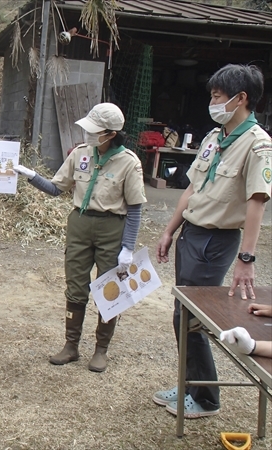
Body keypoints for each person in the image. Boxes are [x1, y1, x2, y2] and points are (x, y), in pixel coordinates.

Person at [153, 64, 272, 419]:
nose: (213, 102)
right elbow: (191, 188)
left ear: (241, 98)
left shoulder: (258, 145)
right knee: (181, 314)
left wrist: (246, 258)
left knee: (192, 318)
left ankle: (206, 398)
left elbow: (257, 202)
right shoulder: (213, 138)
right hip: (192, 234)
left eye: (218, 96)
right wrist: (169, 230)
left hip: (216, 241)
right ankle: (191, 384)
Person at [14, 103, 147, 372]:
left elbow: (135, 208)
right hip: (80, 224)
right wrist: (30, 175)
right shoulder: (80, 154)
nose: (88, 135)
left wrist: (128, 248)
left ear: (111, 133)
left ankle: (101, 350)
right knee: (75, 285)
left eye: (94, 131)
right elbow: (56, 188)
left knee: (110, 289)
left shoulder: (129, 163)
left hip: (112, 228)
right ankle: (71, 346)